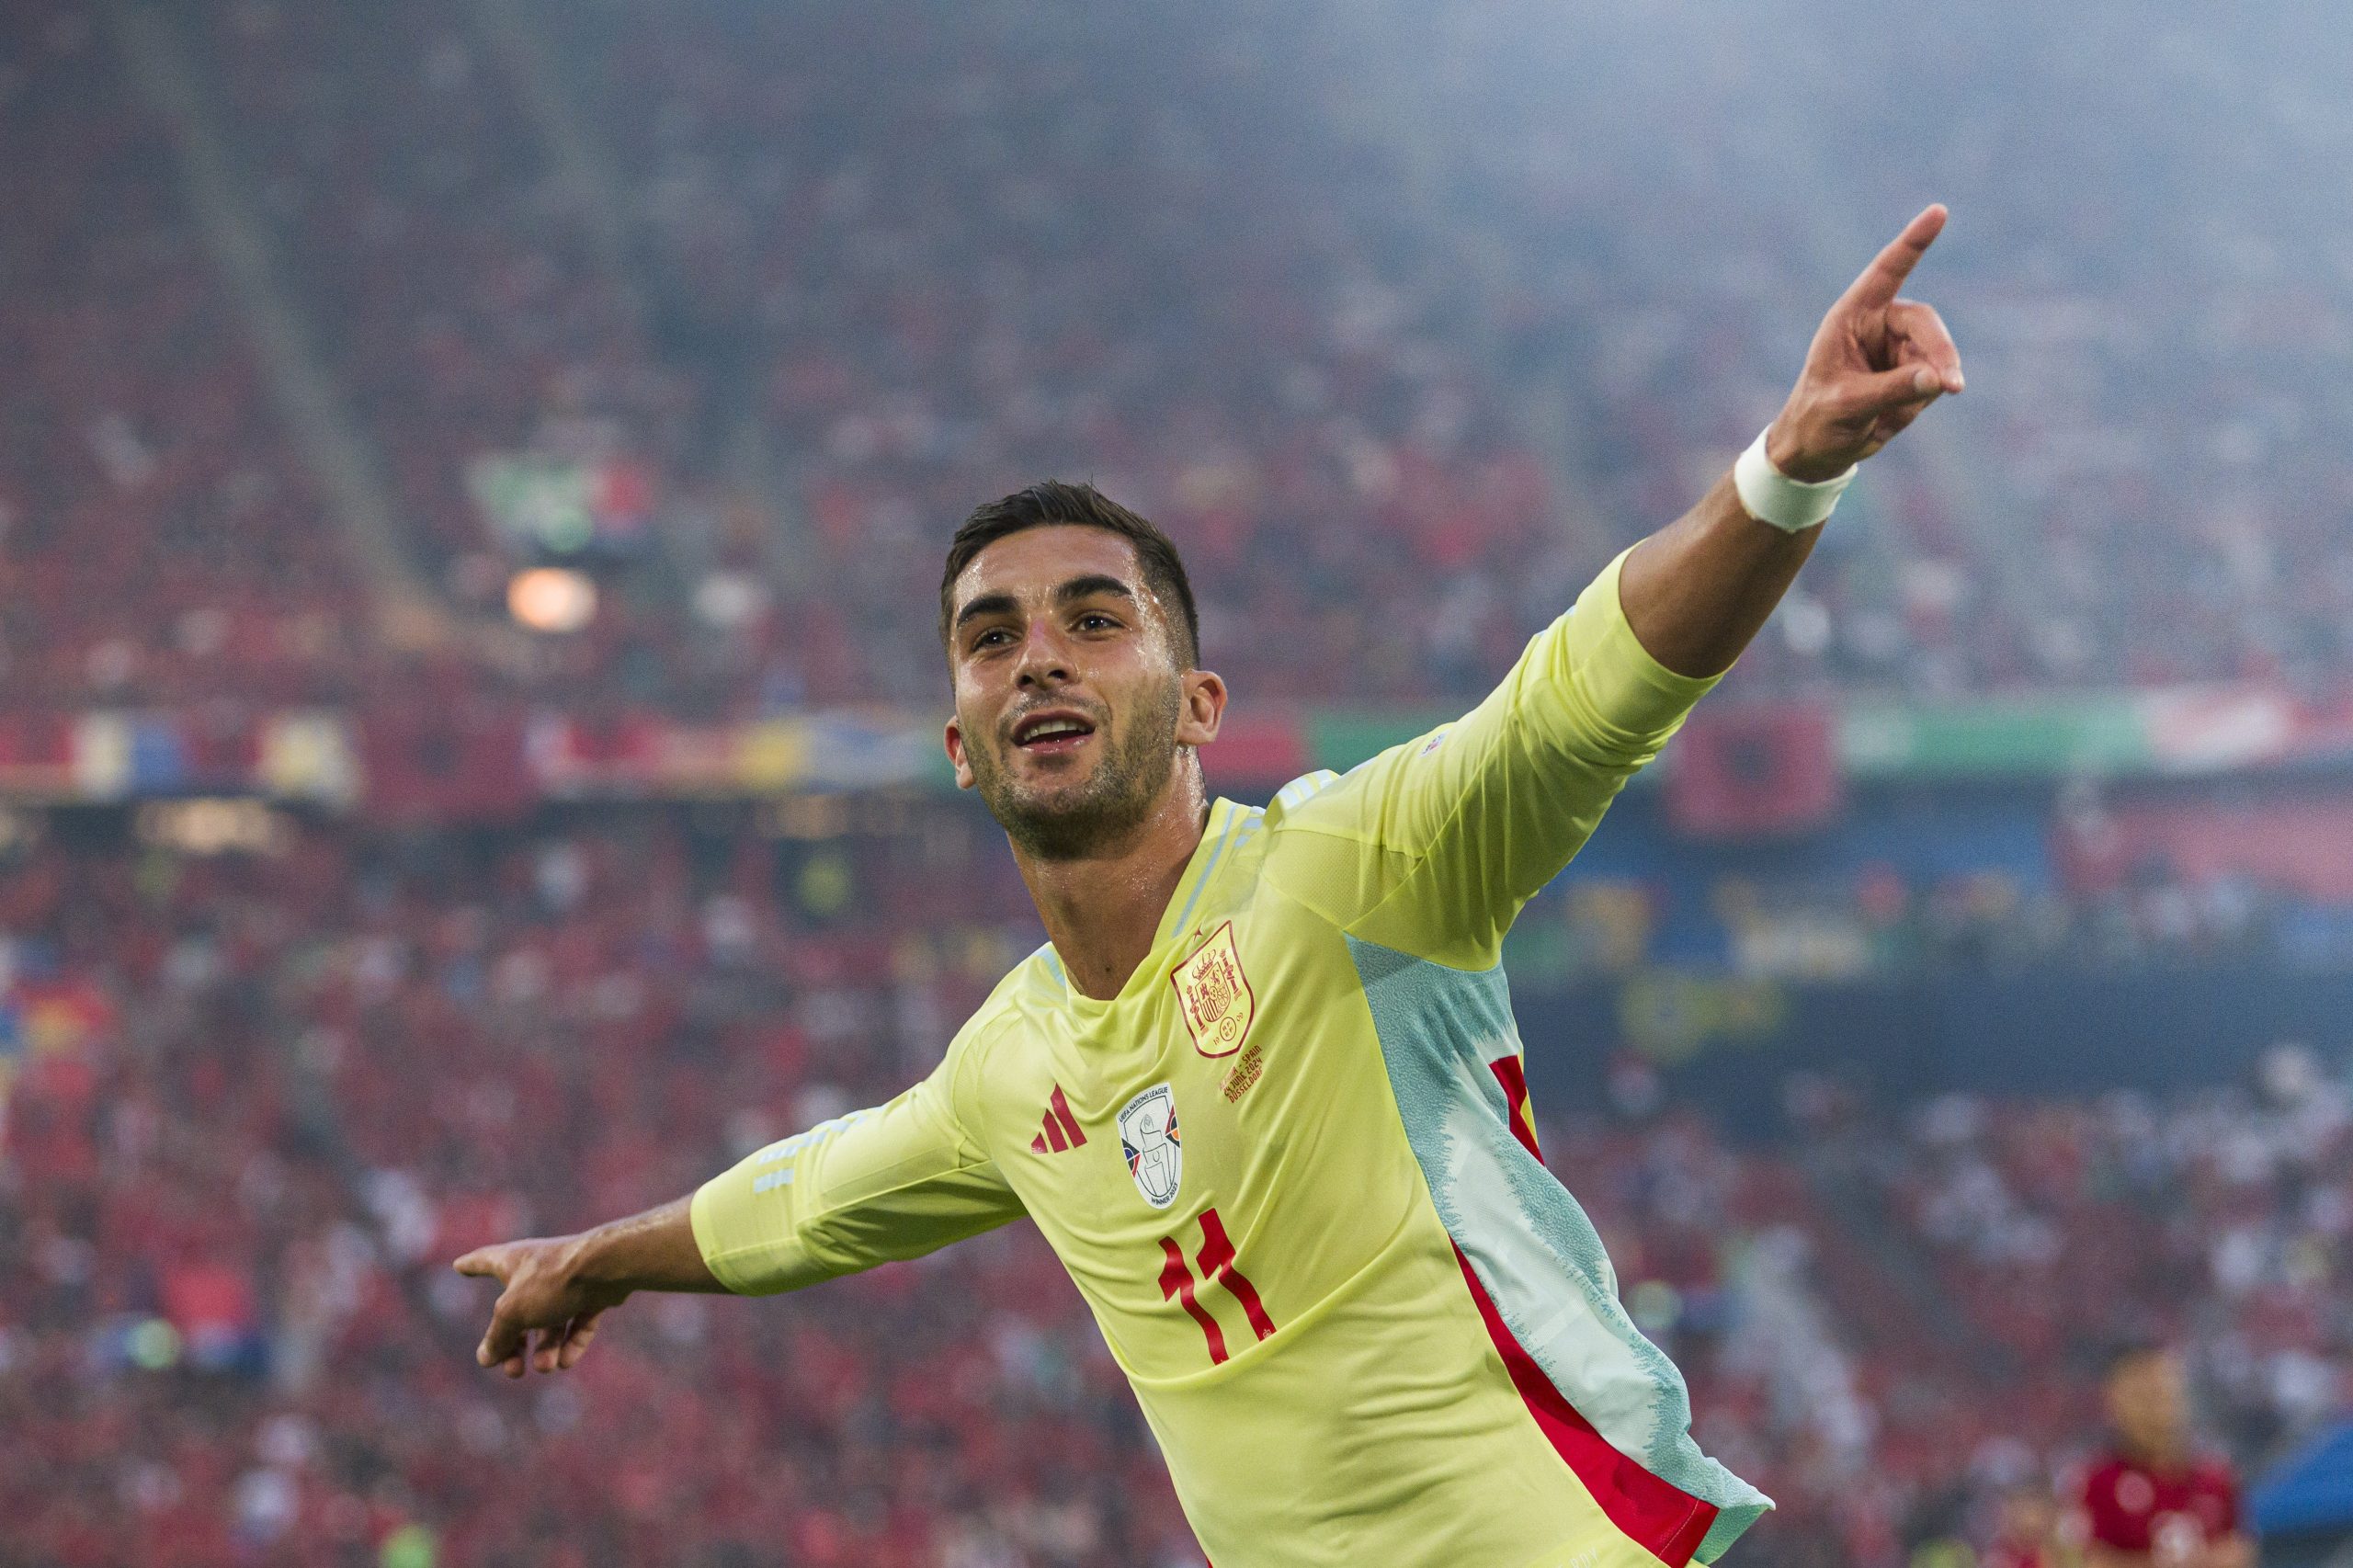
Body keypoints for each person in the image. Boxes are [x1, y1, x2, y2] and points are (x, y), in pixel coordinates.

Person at [457, 207, 1967, 1567]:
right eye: (991, 639)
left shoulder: (1342, 871)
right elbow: (808, 1201)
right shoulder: (1011, 1066)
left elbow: (1578, 696)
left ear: (1198, 703)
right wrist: (596, 1260)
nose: (1035, 653)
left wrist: (1792, 466)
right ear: (962, 750)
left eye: (1094, 619)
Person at [2069, 1345, 2254, 1568]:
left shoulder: (2216, 1477)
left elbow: (2240, 1551)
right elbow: (2089, 1560)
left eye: (2163, 1392)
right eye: (2142, 1396)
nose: (2156, 1407)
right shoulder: (2095, 1483)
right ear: (2114, 1401)